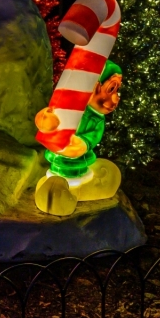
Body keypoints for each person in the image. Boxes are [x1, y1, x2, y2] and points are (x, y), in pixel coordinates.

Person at [34, 61, 123, 216]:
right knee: (55, 178)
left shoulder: (96, 120)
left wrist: (79, 145)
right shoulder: (68, 107)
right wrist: (45, 120)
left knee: (69, 181)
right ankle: (55, 190)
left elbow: (91, 138)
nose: (116, 98)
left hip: (77, 165)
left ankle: (68, 192)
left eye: (117, 90)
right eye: (111, 89)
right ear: (93, 87)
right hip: (58, 160)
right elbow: (50, 123)